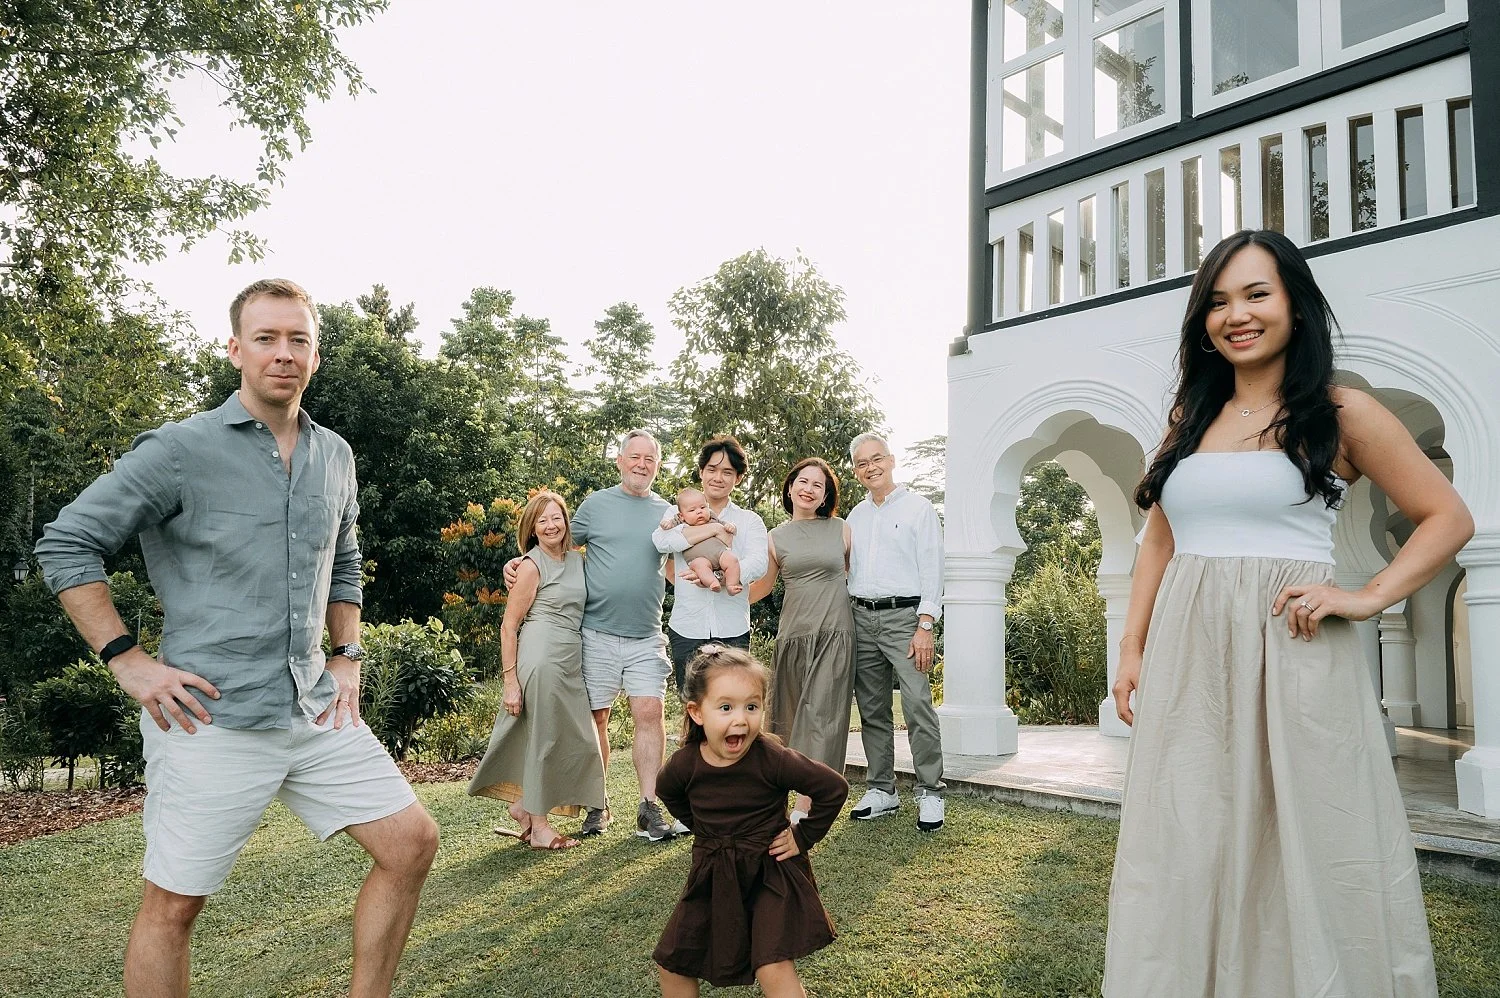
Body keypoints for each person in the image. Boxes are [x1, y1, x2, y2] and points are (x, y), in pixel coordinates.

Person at [33, 279, 439, 998]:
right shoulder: (180, 450)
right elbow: (67, 543)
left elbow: (344, 563)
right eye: (266, 338)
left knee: (411, 844)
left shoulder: (335, 455)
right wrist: (126, 661)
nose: (284, 353)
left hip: (314, 709)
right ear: (235, 350)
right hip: (207, 715)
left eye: (298, 340)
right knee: (175, 907)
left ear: (315, 354)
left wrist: (347, 656)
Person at [1104, 230, 1473, 998]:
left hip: (1295, 652)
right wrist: (1133, 646)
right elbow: (1159, 540)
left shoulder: (1343, 410)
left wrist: (1366, 595)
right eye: (1217, 301)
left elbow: (1446, 516)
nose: (1235, 315)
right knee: (1191, 834)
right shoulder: (1190, 415)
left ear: (1295, 307)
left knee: (1311, 835)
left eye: (1255, 294)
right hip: (1191, 661)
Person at [505, 429, 683, 841]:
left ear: (658, 465)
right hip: (596, 634)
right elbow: (555, 544)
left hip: (645, 635)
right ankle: (598, 806)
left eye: (650, 459)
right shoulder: (596, 505)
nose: (642, 465)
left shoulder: (667, 512)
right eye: (634, 457)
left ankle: (648, 807)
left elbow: (686, 554)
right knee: (595, 721)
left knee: (649, 715)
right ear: (619, 461)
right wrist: (518, 563)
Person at [653, 646, 849, 998]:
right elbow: (668, 792)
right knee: (673, 963)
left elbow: (832, 788)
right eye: (726, 707)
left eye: (752, 706)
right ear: (696, 712)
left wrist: (803, 836)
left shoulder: (771, 758)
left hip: (770, 872)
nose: (740, 719)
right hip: (714, 874)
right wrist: (704, 829)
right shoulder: (684, 765)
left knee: (771, 965)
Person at [468, 490, 605, 850]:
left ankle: (524, 807)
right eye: (541, 520)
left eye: (556, 517)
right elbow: (508, 626)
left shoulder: (578, 561)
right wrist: (510, 682)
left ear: (565, 520)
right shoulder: (530, 566)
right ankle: (541, 828)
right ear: (531, 528)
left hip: (570, 658)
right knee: (544, 738)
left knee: (568, 737)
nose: (550, 525)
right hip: (540, 657)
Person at [846, 433, 947, 832]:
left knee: (918, 703)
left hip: (905, 619)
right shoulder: (855, 515)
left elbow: (932, 570)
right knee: (871, 708)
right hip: (860, 617)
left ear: (891, 460)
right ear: (855, 471)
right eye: (861, 463)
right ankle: (882, 790)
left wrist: (925, 625)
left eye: (876, 459)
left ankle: (930, 791)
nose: (870, 467)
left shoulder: (919, 508)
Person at [750, 458, 855, 823]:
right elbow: (761, 588)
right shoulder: (774, 538)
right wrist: (716, 587)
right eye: (803, 481)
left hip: (835, 634)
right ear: (791, 486)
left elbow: (862, 575)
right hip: (793, 636)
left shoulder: (841, 529)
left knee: (820, 715)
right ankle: (776, 797)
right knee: (788, 719)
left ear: (826, 496)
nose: (809, 489)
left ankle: (806, 806)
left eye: (818, 486)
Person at [652, 435, 769, 696]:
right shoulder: (676, 513)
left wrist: (718, 574)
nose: (718, 477)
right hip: (687, 628)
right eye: (712, 469)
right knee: (693, 707)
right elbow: (661, 541)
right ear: (701, 472)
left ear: (737, 478)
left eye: (727, 472)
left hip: (733, 629)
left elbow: (758, 563)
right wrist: (712, 529)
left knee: (733, 706)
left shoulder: (748, 520)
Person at [662, 486, 743, 594]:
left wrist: (730, 526)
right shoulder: (681, 522)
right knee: (700, 566)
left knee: (732, 560)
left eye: (703, 507)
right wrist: (668, 524)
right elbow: (668, 529)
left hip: (719, 552)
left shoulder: (712, 518)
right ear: (682, 516)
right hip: (697, 558)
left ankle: (731, 585)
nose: (699, 512)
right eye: (692, 510)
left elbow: (723, 524)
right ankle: (712, 582)